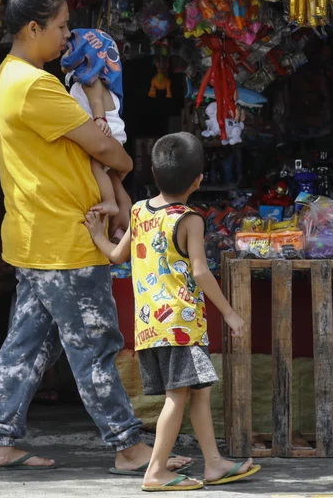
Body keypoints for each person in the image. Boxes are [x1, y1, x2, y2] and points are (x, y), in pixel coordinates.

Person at [0, 0, 192, 475]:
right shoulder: (36, 87)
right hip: (63, 239)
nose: (68, 35)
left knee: (26, 343)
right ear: (34, 29)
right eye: (62, 26)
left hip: (35, 236)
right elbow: (113, 154)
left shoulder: (11, 75)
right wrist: (119, 150)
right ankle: (128, 446)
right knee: (94, 346)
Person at [84, 132, 261, 491]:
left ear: (154, 171)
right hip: (181, 324)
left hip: (150, 325)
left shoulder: (139, 211)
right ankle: (156, 471)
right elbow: (199, 270)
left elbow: (117, 256)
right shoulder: (190, 219)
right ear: (198, 180)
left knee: (197, 391)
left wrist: (96, 235)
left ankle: (213, 463)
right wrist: (229, 313)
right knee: (178, 396)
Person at [62, 28, 133, 235]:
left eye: (68, 51)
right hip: (109, 132)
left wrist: (99, 119)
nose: (63, 55)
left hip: (106, 132)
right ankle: (119, 223)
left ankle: (110, 202)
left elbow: (96, 102)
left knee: (96, 166)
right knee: (107, 174)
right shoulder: (86, 82)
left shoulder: (90, 82)